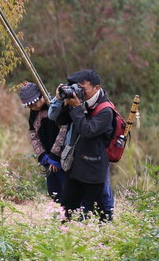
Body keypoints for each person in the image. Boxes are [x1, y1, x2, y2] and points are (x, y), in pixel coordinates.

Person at [49, 69, 114, 222]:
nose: (79, 91)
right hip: (77, 166)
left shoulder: (106, 110)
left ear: (96, 88)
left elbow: (87, 131)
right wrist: (61, 100)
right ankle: (61, 238)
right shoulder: (79, 101)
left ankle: (103, 239)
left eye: (82, 88)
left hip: (93, 170)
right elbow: (59, 120)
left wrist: (77, 108)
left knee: (96, 214)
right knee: (66, 211)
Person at [19, 82, 68, 202]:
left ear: (41, 96)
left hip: (63, 157)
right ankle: (60, 216)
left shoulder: (54, 107)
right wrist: (42, 155)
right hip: (47, 159)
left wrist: (55, 156)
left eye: (34, 104)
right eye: (30, 106)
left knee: (67, 190)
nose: (33, 108)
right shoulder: (33, 114)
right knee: (54, 191)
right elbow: (33, 134)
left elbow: (64, 130)